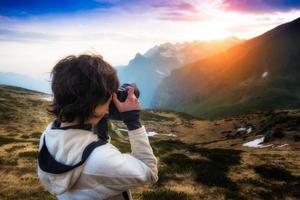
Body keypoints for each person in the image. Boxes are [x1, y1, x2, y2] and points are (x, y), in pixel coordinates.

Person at [37, 54, 158, 200]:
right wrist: (133, 121)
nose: (109, 105)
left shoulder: (47, 137)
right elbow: (150, 172)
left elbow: (90, 147)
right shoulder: (102, 160)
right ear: (96, 106)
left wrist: (99, 118)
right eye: (109, 97)